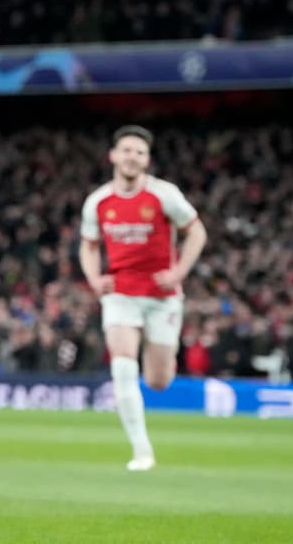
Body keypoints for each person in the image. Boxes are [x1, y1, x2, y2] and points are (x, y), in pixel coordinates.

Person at [79, 125, 207, 472]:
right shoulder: (99, 201)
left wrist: (179, 272)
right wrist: (94, 278)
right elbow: (88, 245)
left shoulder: (164, 195)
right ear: (113, 156)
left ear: (147, 160)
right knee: (122, 363)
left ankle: (164, 360)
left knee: (158, 381)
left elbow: (197, 231)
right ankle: (141, 450)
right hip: (120, 293)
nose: (132, 157)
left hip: (162, 296)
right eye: (126, 150)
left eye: (139, 152)